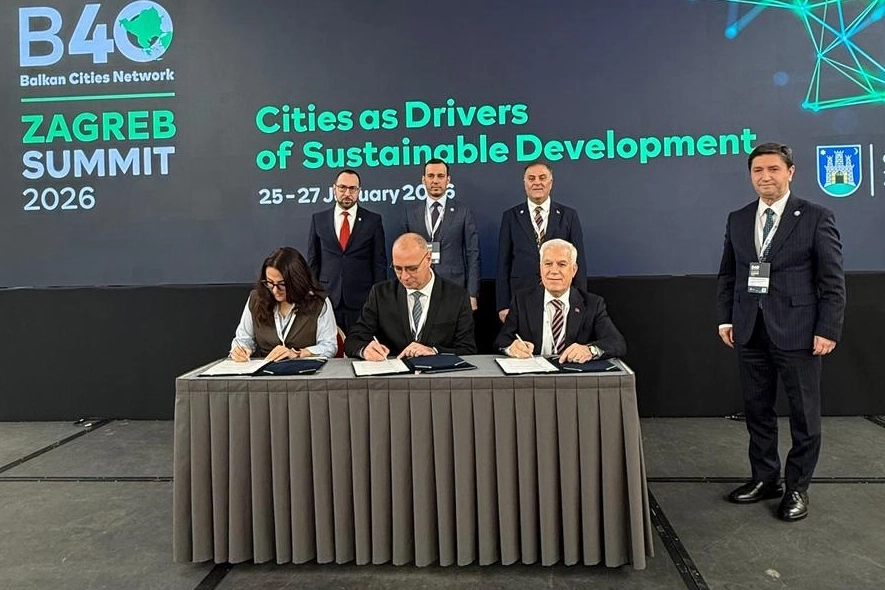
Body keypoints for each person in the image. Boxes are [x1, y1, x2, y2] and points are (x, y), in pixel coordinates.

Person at [717, 142, 845, 521]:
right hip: (749, 329)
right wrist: (726, 319)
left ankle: (797, 487)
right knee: (758, 410)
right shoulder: (738, 219)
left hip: (799, 331)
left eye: (773, 169)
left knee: (804, 414)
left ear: (790, 172)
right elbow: (729, 274)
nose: (765, 177)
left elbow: (832, 280)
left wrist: (828, 329)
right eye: (758, 170)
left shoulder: (816, 217)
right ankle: (765, 478)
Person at [344, 233, 477, 360]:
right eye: (398, 268)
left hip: (439, 374)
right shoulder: (380, 294)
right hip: (395, 373)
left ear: (428, 259)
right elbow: (353, 340)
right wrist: (364, 350)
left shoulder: (457, 297)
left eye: (412, 269)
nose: (404, 277)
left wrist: (434, 351)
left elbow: (468, 349)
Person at [495, 239, 625, 360]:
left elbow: (616, 343)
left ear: (573, 270)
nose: (554, 271)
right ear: (540, 268)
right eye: (548, 264)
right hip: (533, 373)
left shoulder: (592, 304)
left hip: (574, 374)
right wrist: (512, 348)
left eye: (562, 264)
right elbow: (502, 340)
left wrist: (589, 350)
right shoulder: (522, 300)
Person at [496, 159, 586, 322]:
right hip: (521, 297)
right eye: (531, 178)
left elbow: (578, 262)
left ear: (551, 183)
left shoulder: (568, 216)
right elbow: (503, 263)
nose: (537, 182)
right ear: (525, 184)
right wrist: (503, 305)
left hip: (561, 296)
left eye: (542, 178)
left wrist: (580, 301)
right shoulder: (510, 216)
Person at [307, 169, 387, 332]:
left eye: (352, 189)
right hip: (327, 298)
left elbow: (379, 263)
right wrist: (313, 295)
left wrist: (378, 300)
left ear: (359, 191)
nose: (347, 193)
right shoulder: (319, 219)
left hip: (361, 300)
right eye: (342, 187)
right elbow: (313, 261)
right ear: (334, 189)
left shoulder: (373, 220)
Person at [398, 158, 480, 310]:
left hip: (454, 286)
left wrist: (472, 293)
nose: (435, 181)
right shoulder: (410, 213)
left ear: (448, 180)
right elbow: (403, 255)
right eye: (431, 176)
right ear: (423, 180)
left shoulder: (463, 212)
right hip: (418, 286)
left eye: (440, 176)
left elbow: (473, 254)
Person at [230, 247, 338, 361]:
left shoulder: (318, 302)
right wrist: (240, 350)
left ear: (297, 281)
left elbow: (329, 346)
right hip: (265, 368)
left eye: (281, 284)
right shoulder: (256, 299)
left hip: (304, 368)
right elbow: (243, 339)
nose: (275, 290)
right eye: (270, 283)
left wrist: (298, 354)